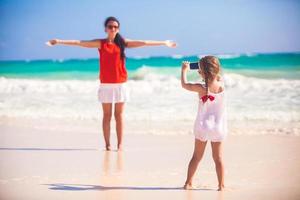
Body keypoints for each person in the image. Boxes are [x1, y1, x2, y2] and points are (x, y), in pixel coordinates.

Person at [46, 16, 177, 151]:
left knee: (119, 116)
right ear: (106, 29)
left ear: (118, 29)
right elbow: (80, 42)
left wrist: (163, 43)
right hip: (106, 85)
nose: (113, 29)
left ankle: (120, 145)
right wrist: (59, 41)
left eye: (115, 27)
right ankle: (108, 145)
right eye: (110, 26)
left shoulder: (123, 43)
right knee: (107, 116)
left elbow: (143, 42)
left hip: (120, 85)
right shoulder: (101, 43)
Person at [181, 56, 227, 191]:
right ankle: (221, 185)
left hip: (203, 126)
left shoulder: (201, 87)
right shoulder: (222, 84)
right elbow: (215, 75)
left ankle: (188, 183)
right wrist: (206, 68)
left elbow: (184, 85)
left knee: (196, 156)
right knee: (218, 158)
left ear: (201, 71)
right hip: (218, 127)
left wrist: (184, 70)